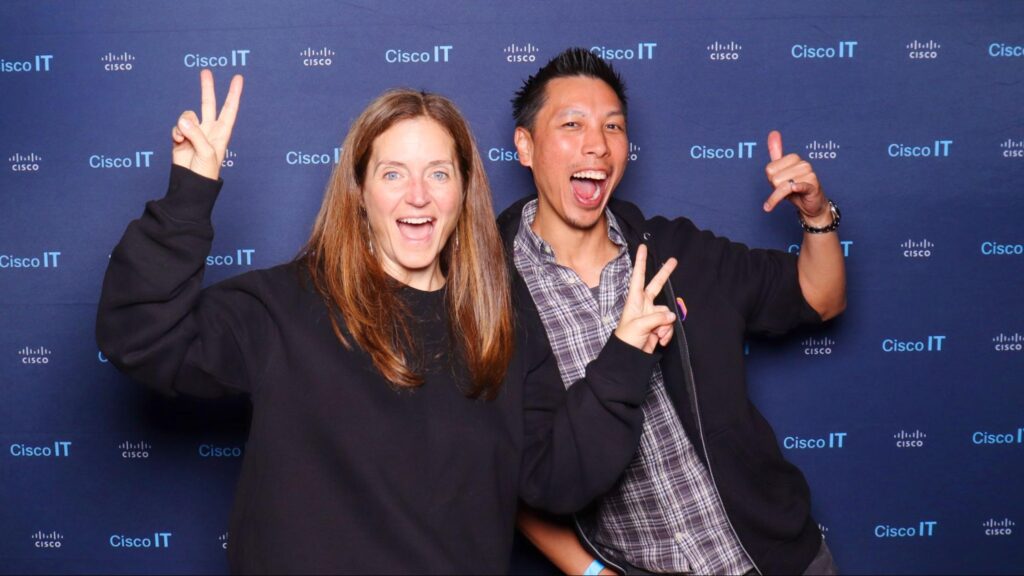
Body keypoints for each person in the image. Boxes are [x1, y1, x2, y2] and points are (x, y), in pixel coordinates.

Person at [95, 70, 681, 574]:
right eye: (393, 173)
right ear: (359, 192)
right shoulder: (285, 307)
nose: (418, 196)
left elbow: (556, 480)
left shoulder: (502, 323)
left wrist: (625, 358)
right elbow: (143, 338)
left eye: (439, 174)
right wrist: (189, 195)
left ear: (464, 191)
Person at [500, 48, 846, 575]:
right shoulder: (490, 293)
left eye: (613, 126)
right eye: (572, 124)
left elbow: (821, 297)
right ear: (525, 146)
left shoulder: (678, 251)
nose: (597, 144)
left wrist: (816, 216)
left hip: (782, 561)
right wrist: (589, 572)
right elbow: (502, 464)